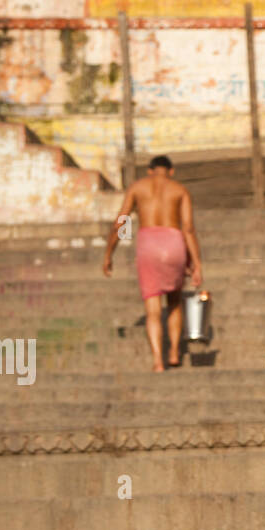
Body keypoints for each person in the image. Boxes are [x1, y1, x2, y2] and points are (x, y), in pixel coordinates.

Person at [102, 154, 203, 372]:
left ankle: (158, 361)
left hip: (148, 245)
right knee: (174, 302)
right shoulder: (179, 190)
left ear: (150, 170)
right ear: (171, 170)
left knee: (152, 308)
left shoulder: (138, 187)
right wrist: (197, 263)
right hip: (173, 243)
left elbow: (121, 221)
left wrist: (109, 253)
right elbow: (188, 228)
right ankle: (175, 351)